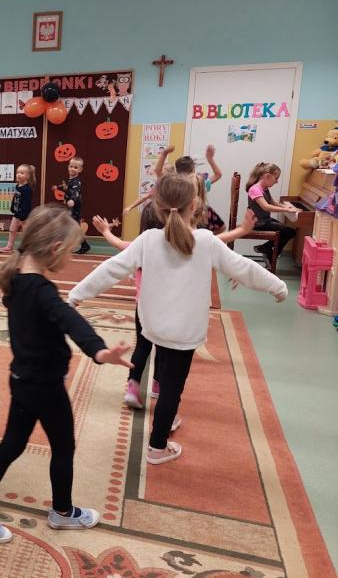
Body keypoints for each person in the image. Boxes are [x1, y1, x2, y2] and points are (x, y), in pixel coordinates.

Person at [69, 174, 287, 465]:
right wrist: (278, 287)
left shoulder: (148, 240)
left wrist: (77, 294)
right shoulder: (205, 241)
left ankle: (166, 418)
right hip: (185, 332)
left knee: (164, 374)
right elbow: (244, 268)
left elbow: (111, 269)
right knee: (172, 387)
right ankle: (157, 447)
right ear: (194, 205)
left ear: (157, 207)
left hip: (154, 326)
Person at [0, 204, 132, 543]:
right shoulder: (42, 291)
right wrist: (100, 351)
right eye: (69, 252)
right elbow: (70, 320)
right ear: (54, 249)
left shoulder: (14, 280)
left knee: (11, 445)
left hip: (21, 380)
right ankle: (63, 512)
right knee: (64, 446)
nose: (69, 258)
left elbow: (59, 319)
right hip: (46, 386)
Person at [92, 204, 257, 410]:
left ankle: (132, 387)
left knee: (142, 347)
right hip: (167, 309)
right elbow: (215, 243)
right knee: (164, 350)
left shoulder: (141, 245)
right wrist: (242, 231)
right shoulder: (181, 245)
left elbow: (117, 243)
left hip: (143, 308)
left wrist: (105, 231)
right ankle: (157, 385)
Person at [246, 162, 300, 267]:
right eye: (276, 178)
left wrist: (287, 207)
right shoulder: (254, 189)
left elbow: (272, 202)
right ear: (267, 176)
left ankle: (266, 250)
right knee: (288, 232)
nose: (277, 181)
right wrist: (286, 210)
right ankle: (268, 252)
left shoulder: (264, 188)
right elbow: (266, 206)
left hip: (265, 220)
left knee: (289, 232)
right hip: (258, 223)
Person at [0, 164, 35, 253]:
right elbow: (15, 197)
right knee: (12, 229)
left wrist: (23, 215)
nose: (18, 174)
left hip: (24, 215)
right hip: (17, 213)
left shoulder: (27, 189)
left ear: (27, 176)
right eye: (17, 172)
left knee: (26, 232)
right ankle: (9, 246)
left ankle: (29, 247)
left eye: (22, 173)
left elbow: (27, 203)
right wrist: (12, 206)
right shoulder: (18, 186)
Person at [60, 157, 90, 254]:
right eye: (71, 166)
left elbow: (75, 192)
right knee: (72, 227)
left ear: (80, 170)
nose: (72, 169)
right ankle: (84, 245)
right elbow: (67, 189)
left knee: (73, 227)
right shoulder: (70, 180)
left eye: (75, 167)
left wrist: (72, 199)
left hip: (75, 208)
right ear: (68, 167)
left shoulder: (77, 181)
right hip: (69, 207)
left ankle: (77, 245)